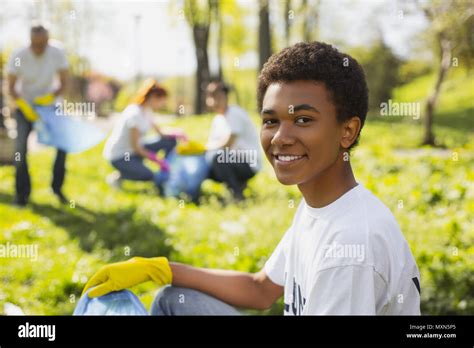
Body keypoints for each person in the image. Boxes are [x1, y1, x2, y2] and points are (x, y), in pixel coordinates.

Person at [82, 42, 421, 315]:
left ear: (347, 131)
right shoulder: (320, 207)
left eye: (303, 120)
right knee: (172, 299)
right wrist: (161, 268)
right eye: (271, 121)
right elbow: (261, 290)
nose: (280, 137)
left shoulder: (350, 250)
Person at [7, 24, 69, 206]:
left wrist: (49, 98)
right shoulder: (19, 56)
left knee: (62, 147)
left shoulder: (57, 53)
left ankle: (57, 188)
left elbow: (65, 81)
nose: (39, 48)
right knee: (20, 151)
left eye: (43, 44)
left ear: (48, 41)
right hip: (24, 106)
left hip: (50, 107)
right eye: (35, 44)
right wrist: (25, 107)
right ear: (30, 41)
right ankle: (22, 195)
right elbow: (10, 88)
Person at [103, 80, 177, 190]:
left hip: (135, 150)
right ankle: (118, 177)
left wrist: (176, 134)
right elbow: (136, 148)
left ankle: (168, 170)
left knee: (170, 141)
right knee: (148, 175)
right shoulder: (134, 114)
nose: (163, 104)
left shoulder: (147, 111)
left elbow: (160, 133)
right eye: (161, 101)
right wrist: (157, 160)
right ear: (153, 97)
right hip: (121, 156)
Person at [205, 81, 262, 200]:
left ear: (226, 97)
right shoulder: (217, 120)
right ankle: (240, 186)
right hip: (233, 160)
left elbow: (228, 143)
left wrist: (204, 148)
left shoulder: (234, 113)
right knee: (207, 164)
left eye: (219, 97)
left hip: (248, 162)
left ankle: (237, 194)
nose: (215, 101)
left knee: (218, 158)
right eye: (212, 97)